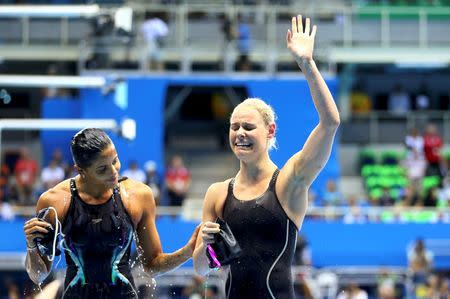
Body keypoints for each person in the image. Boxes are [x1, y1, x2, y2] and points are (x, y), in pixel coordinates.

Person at [193, 15, 340, 298]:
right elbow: (202, 268)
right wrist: (204, 243)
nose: (240, 133)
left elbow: (330, 123)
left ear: (270, 131)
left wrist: (307, 65)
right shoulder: (218, 193)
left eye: (248, 127)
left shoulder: (288, 182)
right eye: (234, 127)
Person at [23, 128, 199, 298]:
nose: (114, 172)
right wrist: (32, 247)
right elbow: (38, 275)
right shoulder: (54, 202)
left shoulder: (138, 196)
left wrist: (187, 251)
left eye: (115, 161)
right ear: (81, 170)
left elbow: (152, 266)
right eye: (102, 169)